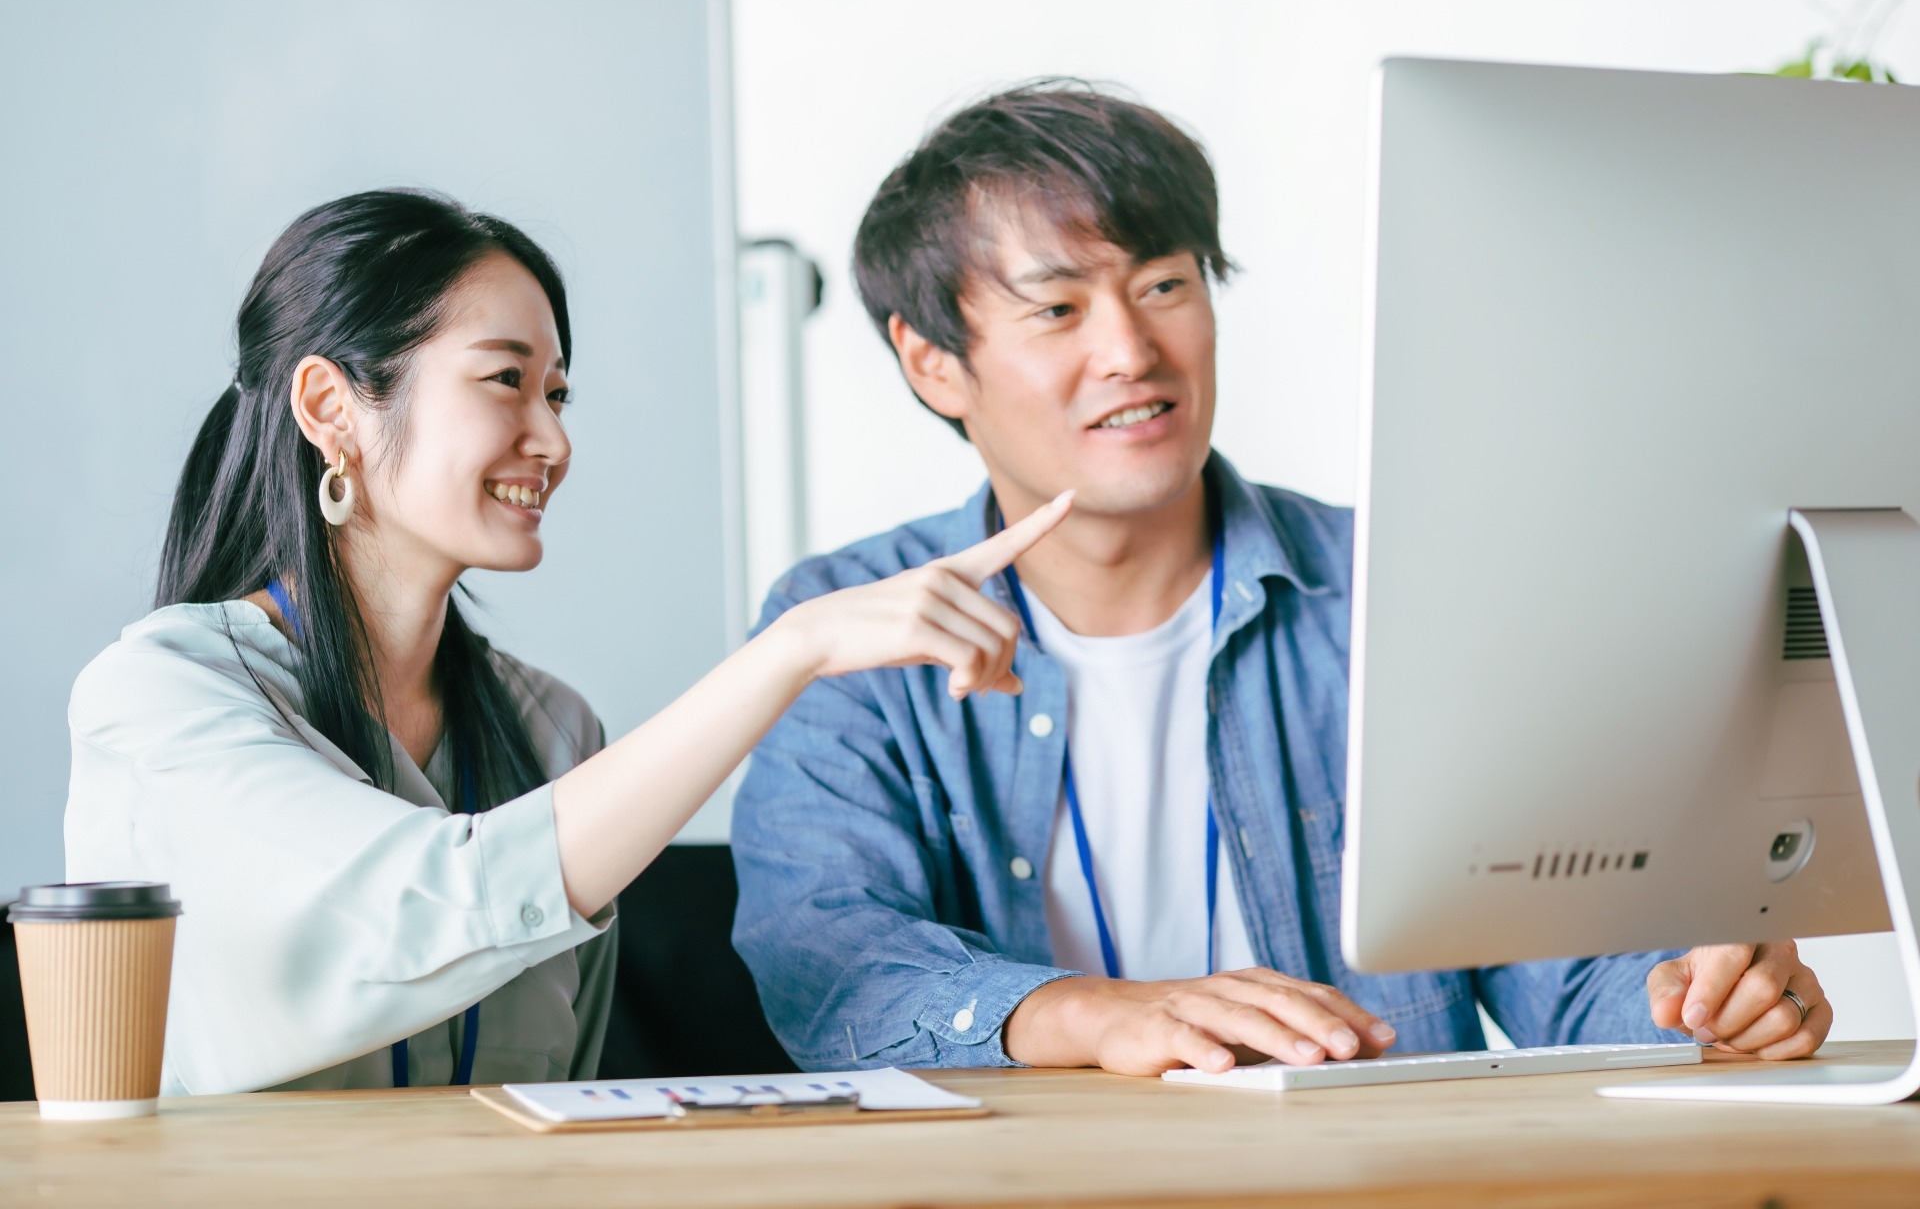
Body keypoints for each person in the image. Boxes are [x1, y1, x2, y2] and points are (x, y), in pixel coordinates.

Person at [730, 83, 1832, 1075]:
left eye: (1165, 284)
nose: (1131, 351)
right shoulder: (847, 626)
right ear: (933, 361)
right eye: (1058, 309)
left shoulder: (1395, 589)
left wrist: (1698, 1001)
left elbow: (1559, 957)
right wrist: (1099, 1014)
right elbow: (832, 970)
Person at [64, 189, 1070, 1095]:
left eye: (556, 393)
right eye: (504, 379)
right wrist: (793, 647)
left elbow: (562, 1092)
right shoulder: (161, 696)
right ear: (333, 408)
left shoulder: (550, 728)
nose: (553, 440)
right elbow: (422, 904)